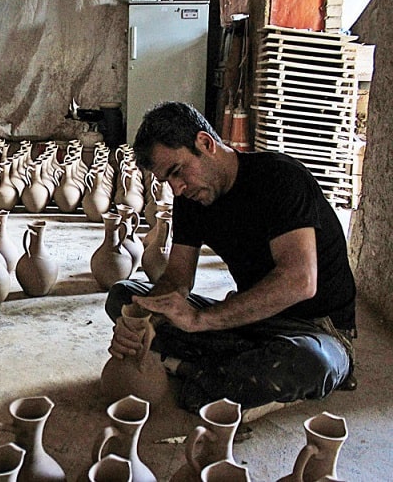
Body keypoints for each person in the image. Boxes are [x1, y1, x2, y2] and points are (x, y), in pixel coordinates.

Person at [105, 101, 356, 414]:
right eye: (168, 181)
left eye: (177, 172)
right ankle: (219, 374)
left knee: (307, 363)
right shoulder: (191, 199)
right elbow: (177, 278)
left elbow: (299, 281)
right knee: (124, 296)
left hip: (314, 329)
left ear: (205, 143)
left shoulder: (281, 179)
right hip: (249, 321)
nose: (177, 189)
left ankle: (192, 369)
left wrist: (200, 320)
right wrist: (142, 319)